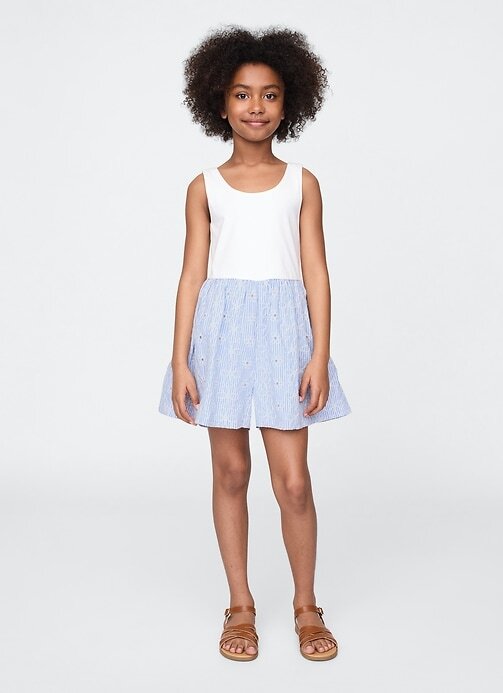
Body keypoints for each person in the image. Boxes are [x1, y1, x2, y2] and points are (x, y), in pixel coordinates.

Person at [158, 25, 352, 662]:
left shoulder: (302, 182)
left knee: (292, 481)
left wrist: (319, 353)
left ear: (288, 103)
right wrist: (180, 359)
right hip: (220, 331)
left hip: (283, 333)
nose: (256, 106)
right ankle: (239, 605)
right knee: (231, 471)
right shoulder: (203, 187)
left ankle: (306, 606)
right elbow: (192, 275)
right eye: (242, 94)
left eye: (269, 94)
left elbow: (317, 271)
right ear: (219, 103)